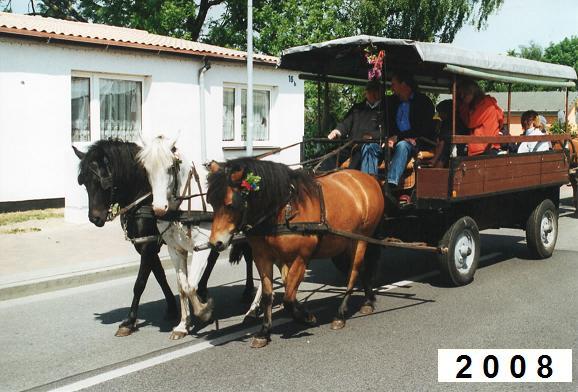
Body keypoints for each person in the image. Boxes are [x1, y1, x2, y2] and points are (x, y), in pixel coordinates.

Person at [386, 71, 435, 190]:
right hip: (394, 141)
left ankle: (391, 183)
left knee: (403, 145)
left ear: (403, 84)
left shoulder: (423, 102)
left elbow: (423, 128)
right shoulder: (391, 102)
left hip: (418, 142)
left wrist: (398, 137)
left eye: (393, 84)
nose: (391, 88)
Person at [327, 80, 382, 175]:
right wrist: (337, 131)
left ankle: (349, 179)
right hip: (350, 144)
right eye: (368, 91)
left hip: (368, 146)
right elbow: (345, 123)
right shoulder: (357, 108)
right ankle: (318, 180)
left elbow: (387, 129)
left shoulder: (385, 109)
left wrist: (372, 136)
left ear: (378, 93)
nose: (369, 94)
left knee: (360, 154)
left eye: (373, 91)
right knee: (330, 156)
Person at [457, 79, 504, 156]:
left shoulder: (486, 104)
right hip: (483, 147)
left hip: (485, 148)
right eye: (460, 94)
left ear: (472, 92)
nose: (462, 97)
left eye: (464, 94)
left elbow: (470, 122)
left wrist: (463, 106)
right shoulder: (481, 104)